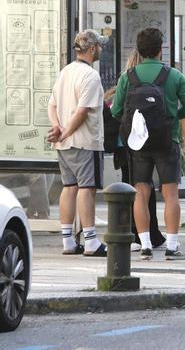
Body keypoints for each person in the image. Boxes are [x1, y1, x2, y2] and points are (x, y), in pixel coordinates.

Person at [111, 27, 185, 261]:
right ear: (161, 49)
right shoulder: (175, 76)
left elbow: (117, 110)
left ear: (139, 50)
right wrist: (171, 119)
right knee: (170, 194)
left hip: (138, 143)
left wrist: (137, 124)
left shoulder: (127, 77)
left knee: (141, 191)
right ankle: (171, 246)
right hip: (167, 140)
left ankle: (145, 245)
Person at [47, 29, 109, 256]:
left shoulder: (66, 71)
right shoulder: (90, 76)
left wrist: (58, 128)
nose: (101, 49)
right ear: (92, 49)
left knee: (69, 187)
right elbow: (83, 111)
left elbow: (52, 105)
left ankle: (67, 240)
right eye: (99, 46)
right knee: (86, 188)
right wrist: (66, 132)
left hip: (64, 145)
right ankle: (91, 240)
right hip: (84, 141)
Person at [106, 49, 166, 252]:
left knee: (132, 188)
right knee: (145, 190)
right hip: (152, 141)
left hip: (127, 145)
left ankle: (133, 231)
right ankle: (150, 233)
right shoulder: (156, 81)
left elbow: (115, 112)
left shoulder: (123, 84)